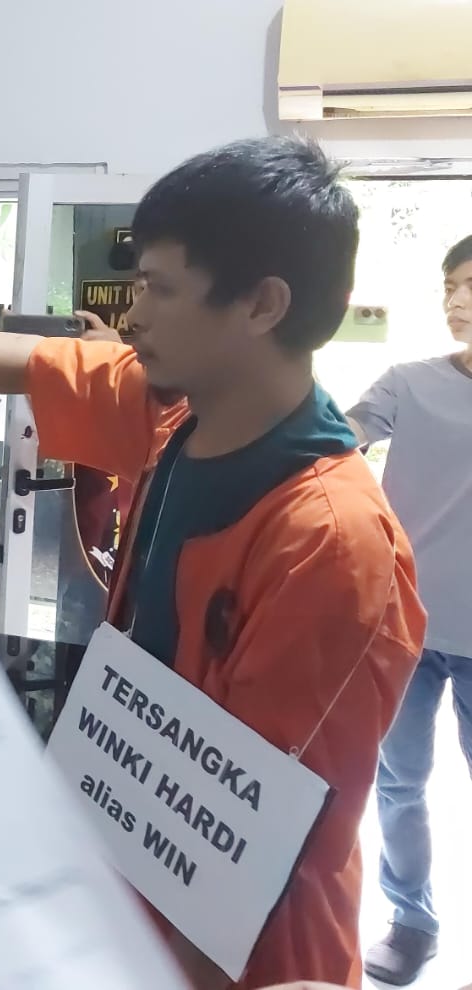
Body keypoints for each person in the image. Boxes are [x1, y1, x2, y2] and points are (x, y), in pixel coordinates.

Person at [0, 137, 426, 989]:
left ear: (261, 305)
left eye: (160, 291)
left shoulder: (333, 545)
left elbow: (234, 849)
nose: (135, 318)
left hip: (248, 958)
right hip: (123, 908)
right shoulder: (177, 417)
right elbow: (21, 362)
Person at [347, 234, 472, 987]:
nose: (457, 300)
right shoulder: (410, 382)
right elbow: (335, 436)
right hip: (408, 625)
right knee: (398, 781)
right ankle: (412, 917)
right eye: (450, 286)